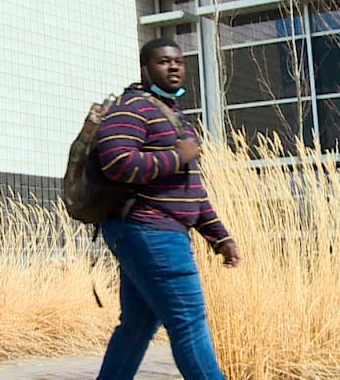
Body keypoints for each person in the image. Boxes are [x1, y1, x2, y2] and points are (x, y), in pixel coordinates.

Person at [95, 37, 242, 380]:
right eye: (163, 62)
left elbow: (191, 191)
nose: (174, 67)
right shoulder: (131, 108)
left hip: (159, 231)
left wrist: (220, 238)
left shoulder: (175, 117)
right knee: (189, 322)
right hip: (149, 230)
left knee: (137, 326)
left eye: (178, 61)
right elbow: (116, 161)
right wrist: (179, 155)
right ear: (145, 70)